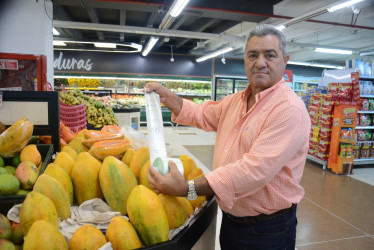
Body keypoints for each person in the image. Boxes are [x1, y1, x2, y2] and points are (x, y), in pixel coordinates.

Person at [145, 24, 310, 250]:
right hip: (232, 222)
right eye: (253, 55)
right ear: (244, 59)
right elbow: (203, 113)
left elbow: (253, 172)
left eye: (270, 55)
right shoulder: (236, 101)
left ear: (285, 60)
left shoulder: (289, 109)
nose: (260, 62)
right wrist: (167, 97)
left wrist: (188, 188)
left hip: (268, 229)